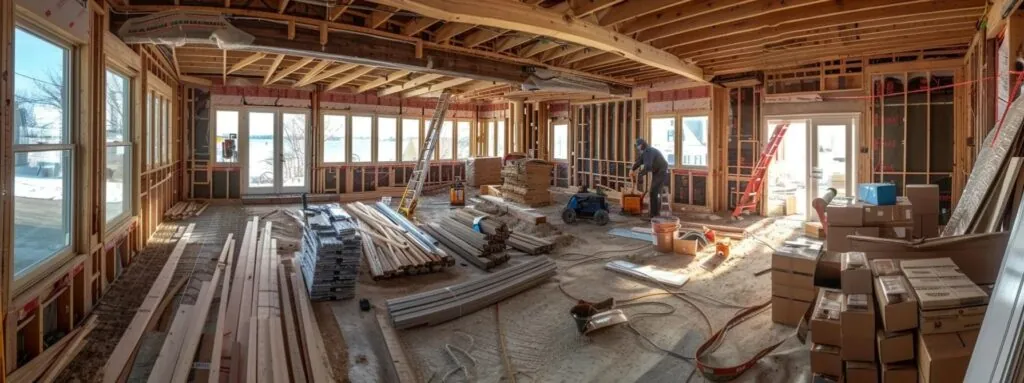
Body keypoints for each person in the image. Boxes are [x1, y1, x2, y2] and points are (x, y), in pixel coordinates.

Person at [631, 138, 669, 218]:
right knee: (653, 192)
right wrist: (632, 169)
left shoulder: (648, 151)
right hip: (657, 172)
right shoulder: (645, 152)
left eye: (637, 146)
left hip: (661, 172)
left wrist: (640, 175)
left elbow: (648, 166)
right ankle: (653, 214)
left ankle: (655, 214)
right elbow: (639, 162)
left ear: (641, 145)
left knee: (655, 192)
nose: (637, 148)